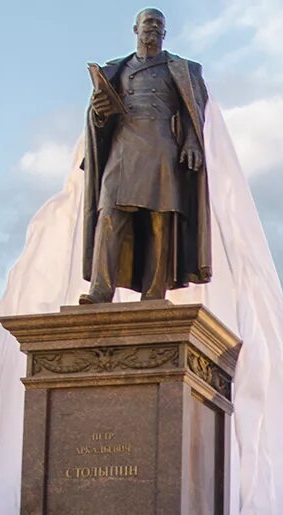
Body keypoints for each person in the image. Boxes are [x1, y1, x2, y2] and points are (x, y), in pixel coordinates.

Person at [81, 8, 211, 304]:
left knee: (159, 219)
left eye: (158, 24)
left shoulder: (184, 69)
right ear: (135, 29)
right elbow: (98, 118)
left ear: (165, 32)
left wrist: (191, 141)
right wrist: (99, 113)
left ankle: (154, 293)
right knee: (109, 215)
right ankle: (100, 290)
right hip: (123, 146)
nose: (153, 27)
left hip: (163, 146)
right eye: (148, 22)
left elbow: (195, 111)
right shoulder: (116, 68)